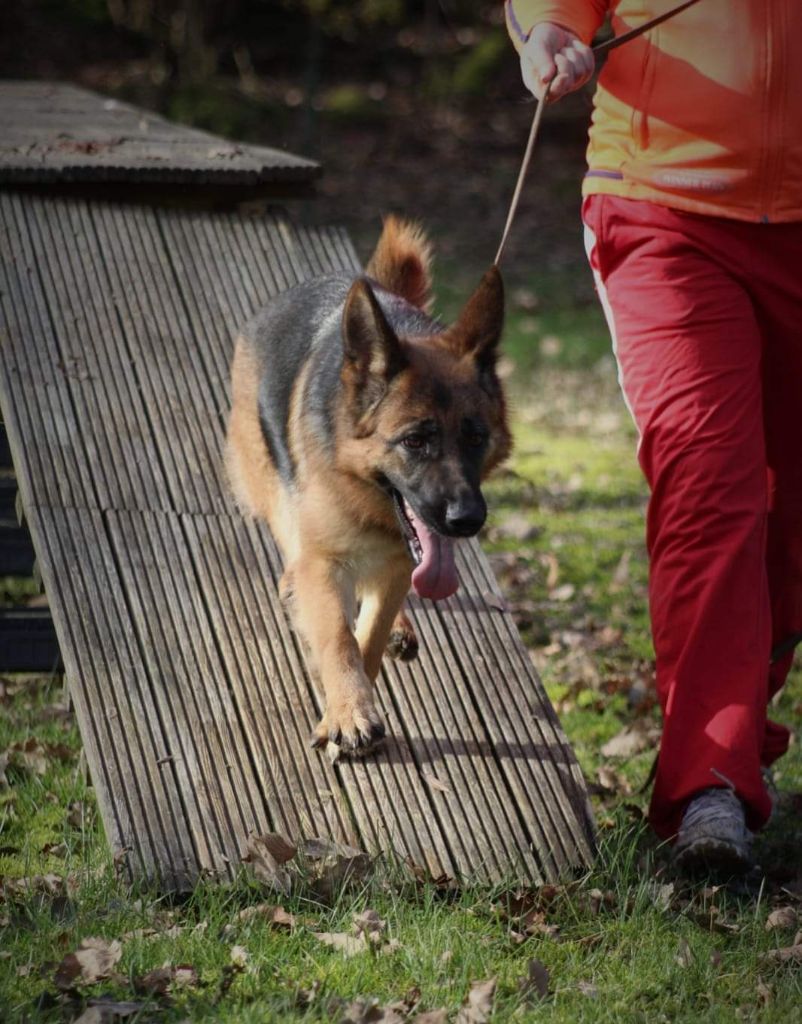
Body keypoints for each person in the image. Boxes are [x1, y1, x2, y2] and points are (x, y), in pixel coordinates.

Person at [504, 0, 802, 872]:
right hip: (662, 206)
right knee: (712, 486)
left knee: (787, 525)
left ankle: (740, 717)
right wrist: (550, 35)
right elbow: (548, 9)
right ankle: (707, 786)